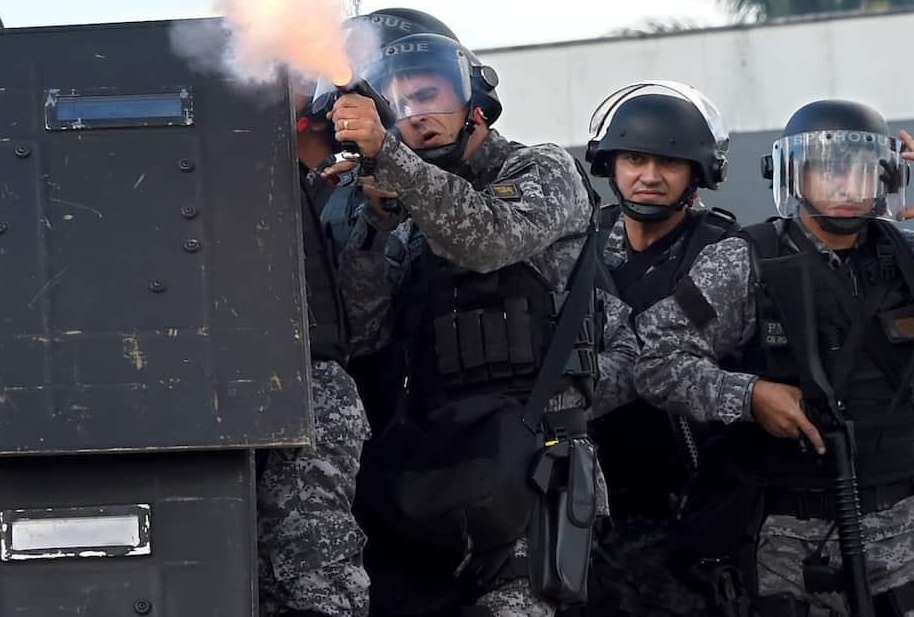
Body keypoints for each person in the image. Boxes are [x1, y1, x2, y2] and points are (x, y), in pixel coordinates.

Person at [330, 32, 637, 616]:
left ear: (475, 101)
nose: (419, 119)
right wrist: (372, 226)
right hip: (435, 474)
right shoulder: (413, 211)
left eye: (431, 95)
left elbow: (490, 238)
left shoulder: (545, 169)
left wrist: (393, 163)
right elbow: (365, 334)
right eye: (402, 106)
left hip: (534, 471)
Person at [634, 98, 914, 616]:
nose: (842, 186)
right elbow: (654, 361)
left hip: (903, 528)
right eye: (826, 170)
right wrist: (751, 396)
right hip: (783, 540)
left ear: (883, 178)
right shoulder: (746, 261)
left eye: (857, 171)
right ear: (795, 176)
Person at [581, 81, 734, 616]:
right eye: (635, 157)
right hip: (586, 501)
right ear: (611, 164)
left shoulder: (723, 254)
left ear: (698, 172)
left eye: (669, 162)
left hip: (688, 506)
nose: (649, 176)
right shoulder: (580, 244)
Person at [254, 85, 373, 617]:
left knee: (314, 572)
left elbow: (367, 319)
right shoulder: (259, 165)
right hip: (255, 383)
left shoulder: (368, 177)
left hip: (312, 389)